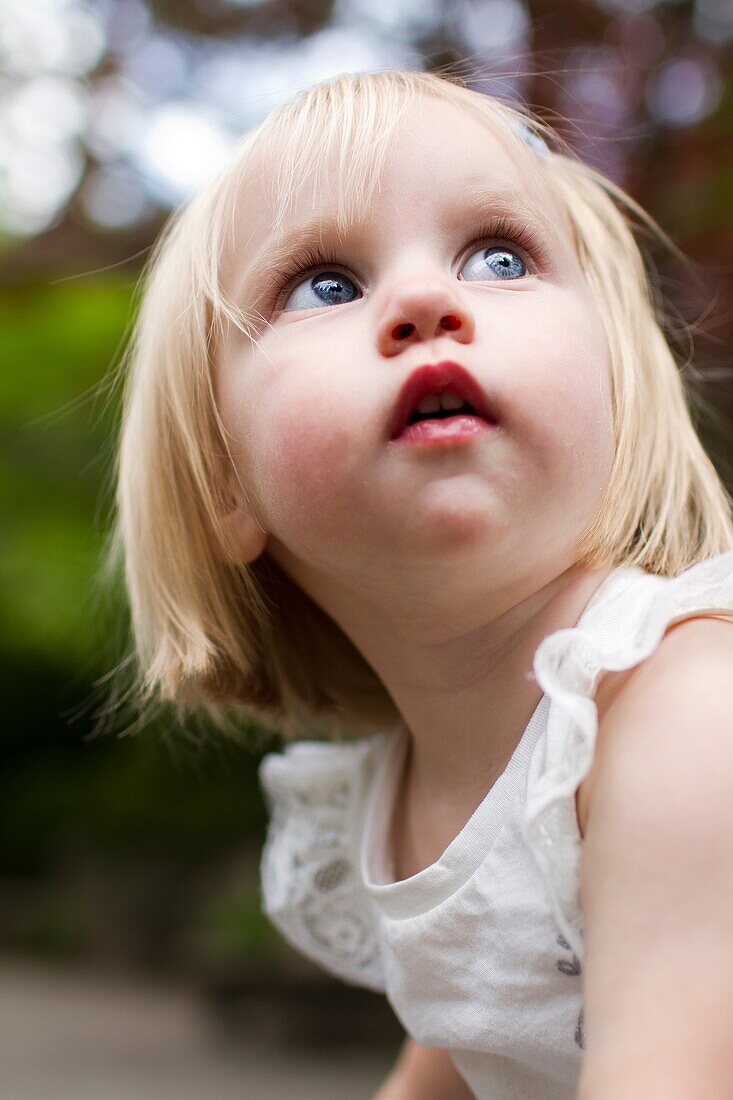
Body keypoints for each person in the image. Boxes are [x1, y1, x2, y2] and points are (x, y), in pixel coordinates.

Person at [111, 69, 733, 1099]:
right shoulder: (420, 781)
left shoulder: (679, 711)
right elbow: (463, 1040)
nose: (424, 301)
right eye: (326, 283)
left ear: (615, 387)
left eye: (499, 256)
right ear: (226, 480)